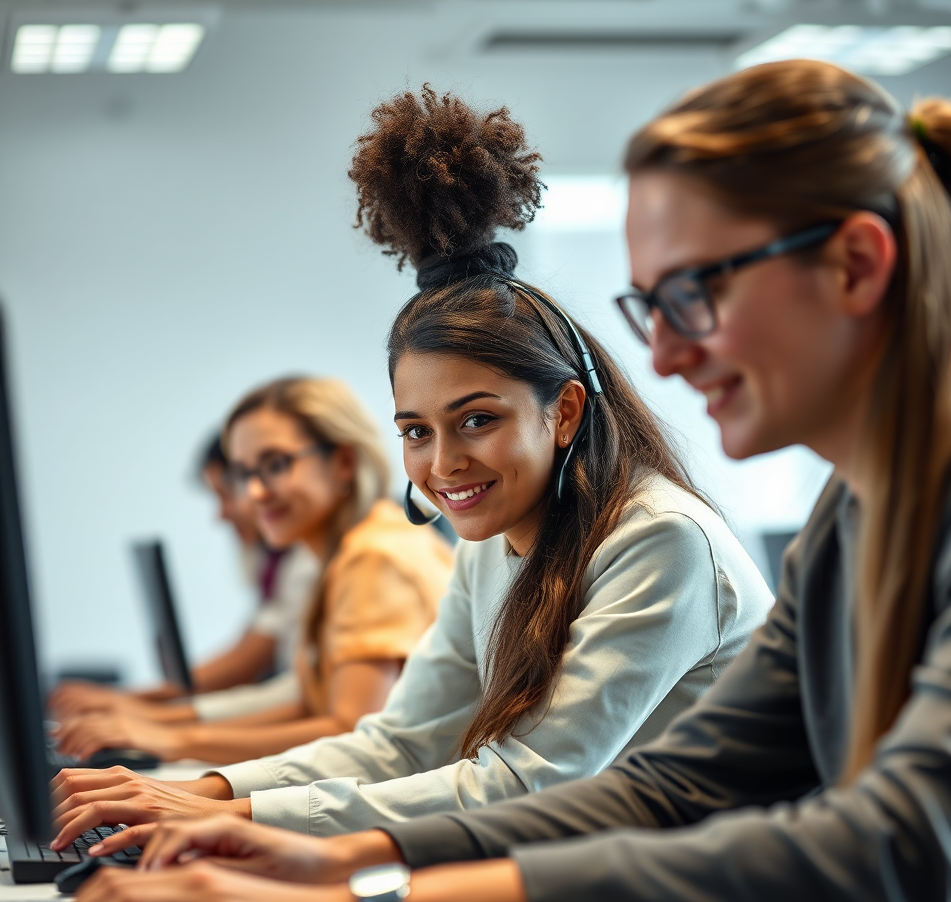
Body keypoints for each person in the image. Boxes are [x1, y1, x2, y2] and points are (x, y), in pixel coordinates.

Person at [37, 63, 951, 902]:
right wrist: (335, 861)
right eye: (650, 307)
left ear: (856, 262)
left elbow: (896, 849)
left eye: (693, 294)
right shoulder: (858, 511)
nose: (668, 354)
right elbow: (668, 789)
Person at [48, 86, 772, 842]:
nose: (444, 462)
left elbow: (528, 784)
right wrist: (203, 791)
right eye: (417, 431)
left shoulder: (659, 541)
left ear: (563, 412)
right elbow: (402, 742)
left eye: (478, 421)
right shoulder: (491, 544)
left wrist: (236, 813)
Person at [51, 376, 454, 765]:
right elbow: (306, 703)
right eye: (244, 474)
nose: (254, 494)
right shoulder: (349, 552)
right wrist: (159, 728)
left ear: (344, 461)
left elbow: (348, 730)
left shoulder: (375, 557)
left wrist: (173, 738)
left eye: (275, 464)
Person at [48, 434, 320, 725]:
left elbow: (247, 664)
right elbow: (251, 649)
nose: (221, 515)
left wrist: (144, 711)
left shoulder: (310, 564)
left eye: (225, 495)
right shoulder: (276, 562)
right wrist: (140, 706)